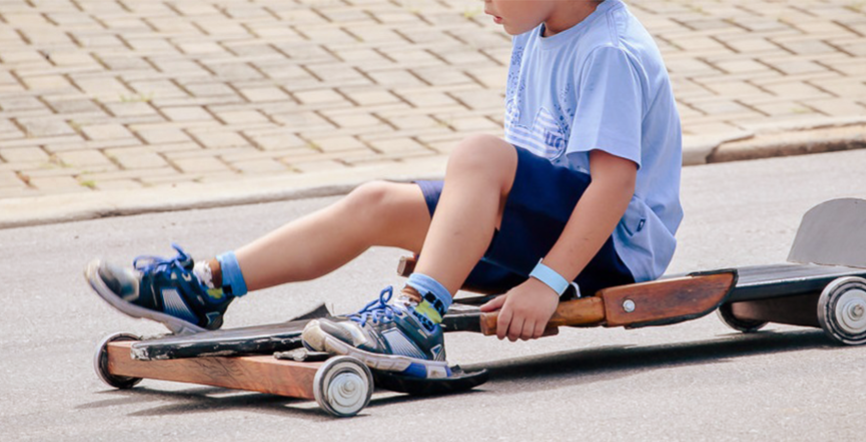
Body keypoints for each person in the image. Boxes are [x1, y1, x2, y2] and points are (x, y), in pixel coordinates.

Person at [86, 0, 683, 380]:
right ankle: (208, 289)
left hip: (611, 255)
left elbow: (612, 185)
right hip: (557, 234)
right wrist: (461, 243)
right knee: (378, 201)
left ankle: (417, 322)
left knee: (477, 154)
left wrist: (545, 284)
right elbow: (524, 179)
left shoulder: (608, 50)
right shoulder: (536, 31)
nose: (484, 5)